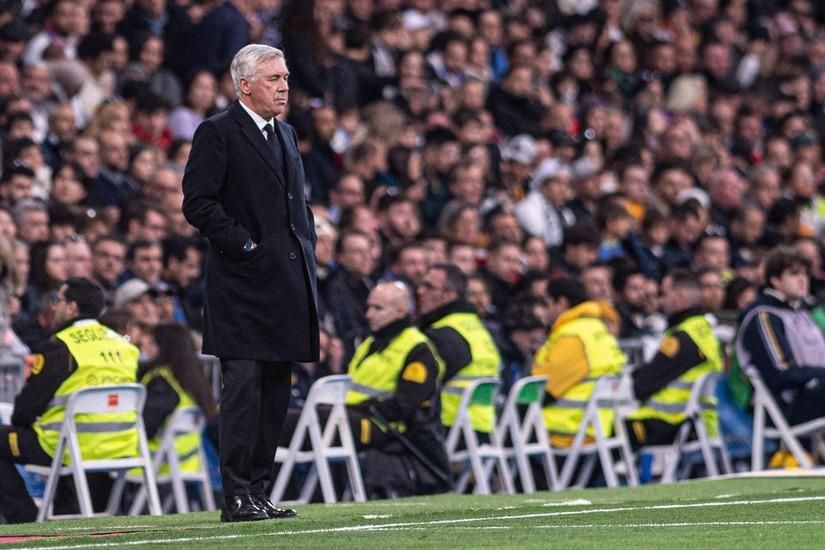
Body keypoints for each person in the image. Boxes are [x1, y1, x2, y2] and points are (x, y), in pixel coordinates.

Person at [182, 44, 318, 523]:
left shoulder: (285, 133)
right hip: (241, 289)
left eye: (285, 78)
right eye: (274, 78)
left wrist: (309, 243)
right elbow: (197, 203)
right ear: (244, 85)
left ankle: (258, 491)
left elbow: (292, 203)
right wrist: (245, 247)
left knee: (275, 392)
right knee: (244, 391)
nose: (284, 86)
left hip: (286, 284)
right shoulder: (217, 132)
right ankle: (236, 494)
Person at [0, 278, 140, 524]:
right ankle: (63, 514)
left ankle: (26, 519)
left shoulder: (62, 346)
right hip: (120, 446)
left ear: (72, 307)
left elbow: (25, 408)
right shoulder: (124, 345)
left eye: (58, 300)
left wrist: (26, 421)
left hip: (67, 448)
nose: (54, 306)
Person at [343, 282, 448, 498]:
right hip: (351, 417)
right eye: (369, 307)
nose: (369, 314)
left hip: (386, 427)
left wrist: (361, 408)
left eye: (378, 308)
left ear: (401, 311)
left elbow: (404, 406)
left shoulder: (418, 349)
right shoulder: (369, 342)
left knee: (299, 423)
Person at [626, 269, 724, 448]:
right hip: (695, 422)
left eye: (664, 294)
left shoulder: (682, 338)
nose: (661, 301)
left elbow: (642, 385)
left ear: (680, 299)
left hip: (666, 423)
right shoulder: (704, 331)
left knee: (606, 430)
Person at [732, 246, 825, 425]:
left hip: (813, 393)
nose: (802, 280)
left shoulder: (803, 313)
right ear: (775, 280)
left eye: (805, 274)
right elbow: (781, 374)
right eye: (794, 274)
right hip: (784, 407)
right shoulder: (763, 316)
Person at [532, 277, 627, 448]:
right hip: (598, 429)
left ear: (561, 303)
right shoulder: (599, 330)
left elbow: (543, 389)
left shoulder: (573, 336)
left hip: (565, 431)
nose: (543, 312)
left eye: (546, 304)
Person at [416, 264, 501, 440]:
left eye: (429, 287)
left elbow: (418, 386)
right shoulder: (475, 326)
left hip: (450, 429)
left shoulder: (443, 334)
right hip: (483, 427)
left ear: (450, 295)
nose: (420, 291)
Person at [139, 323, 218, 477]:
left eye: (152, 342)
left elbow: (145, 427)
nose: (145, 346)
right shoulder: (194, 382)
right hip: (187, 465)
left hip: (156, 465)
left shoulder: (162, 382)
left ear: (165, 347)